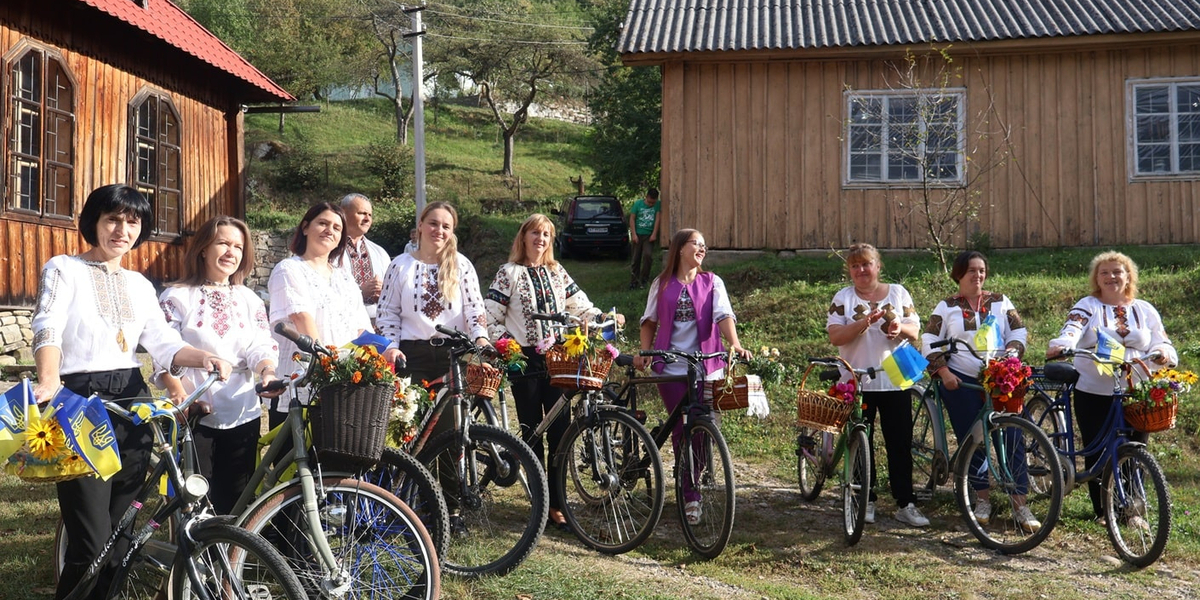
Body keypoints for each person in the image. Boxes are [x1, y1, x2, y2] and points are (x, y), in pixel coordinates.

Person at [31, 184, 231, 600]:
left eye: (132, 221)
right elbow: (46, 325)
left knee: (121, 539)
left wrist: (205, 357)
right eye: (113, 219)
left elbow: (163, 342)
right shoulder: (62, 267)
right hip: (79, 400)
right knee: (91, 543)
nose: (122, 229)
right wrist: (49, 380)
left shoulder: (140, 284)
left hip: (133, 399)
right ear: (94, 223)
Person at [485, 214, 624, 530]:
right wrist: (507, 347)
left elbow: (580, 306)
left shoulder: (556, 272)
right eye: (535, 233)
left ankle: (559, 503)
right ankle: (540, 502)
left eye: (546, 234)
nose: (541, 239)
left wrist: (604, 316)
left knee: (560, 430)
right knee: (532, 430)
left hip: (559, 358)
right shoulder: (509, 273)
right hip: (525, 359)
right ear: (523, 237)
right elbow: (490, 315)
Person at [155, 215, 283, 515]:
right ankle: (193, 559)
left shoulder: (249, 299)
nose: (231, 252)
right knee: (195, 497)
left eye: (238, 246)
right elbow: (164, 351)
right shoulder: (177, 296)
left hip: (242, 409)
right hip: (194, 410)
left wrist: (267, 372)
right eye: (223, 243)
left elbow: (261, 345)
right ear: (202, 248)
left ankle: (228, 558)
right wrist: (181, 397)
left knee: (237, 496)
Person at [1047, 250, 1177, 523]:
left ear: (1128, 276)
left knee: (1136, 449)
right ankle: (1104, 510)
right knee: (1098, 451)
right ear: (1096, 278)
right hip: (1094, 389)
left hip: (1135, 390)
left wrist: (1164, 353)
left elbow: (1160, 340)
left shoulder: (1144, 309)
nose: (1111, 277)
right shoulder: (1088, 305)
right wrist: (1064, 344)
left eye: (1117, 271)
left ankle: (1132, 511)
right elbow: (1073, 327)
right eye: (1104, 272)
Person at [634, 229, 751, 526]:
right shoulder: (661, 284)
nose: (701, 248)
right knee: (682, 429)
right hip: (671, 367)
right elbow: (649, 321)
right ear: (679, 248)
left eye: (703, 245)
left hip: (706, 365)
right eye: (695, 243)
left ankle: (694, 484)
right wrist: (645, 352)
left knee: (702, 425)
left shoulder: (712, 282)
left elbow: (723, 315)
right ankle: (690, 493)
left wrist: (734, 344)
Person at [921, 251, 1038, 530]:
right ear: (959, 274)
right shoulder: (946, 306)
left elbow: (1018, 331)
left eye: (982, 270)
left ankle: (1020, 505)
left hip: (999, 378)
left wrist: (1012, 353)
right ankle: (981, 498)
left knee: (1012, 434)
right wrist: (944, 372)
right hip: (961, 380)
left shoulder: (999, 301)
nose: (978, 275)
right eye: (971, 270)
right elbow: (928, 340)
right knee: (972, 438)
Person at [825, 243, 929, 528]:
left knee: (900, 443)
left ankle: (905, 502)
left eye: (866, 264)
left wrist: (899, 329)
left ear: (878, 266)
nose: (861, 270)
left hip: (894, 380)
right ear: (849, 270)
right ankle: (864, 500)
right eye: (855, 266)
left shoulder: (897, 293)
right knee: (860, 443)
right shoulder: (843, 298)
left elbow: (915, 330)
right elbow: (835, 336)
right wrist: (864, 323)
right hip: (857, 381)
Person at [268, 202, 372, 428]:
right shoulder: (289, 269)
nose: (329, 230)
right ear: (305, 228)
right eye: (323, 223)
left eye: (336, 228)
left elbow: (361, 328)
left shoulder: (345, 278)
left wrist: (383, 353)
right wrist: (327, 363)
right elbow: (301, 318)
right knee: (295, 459)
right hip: (303, 380)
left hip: (341, 383)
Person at [379, 201, 490, 384]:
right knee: (412, 411)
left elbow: (474, 307)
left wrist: (481, 338)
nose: (439, 230)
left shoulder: (461, 265)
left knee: (452, 413)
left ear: (452, 232)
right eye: (433, 223)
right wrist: (390, 347)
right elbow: (387, 313)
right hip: (411, 356)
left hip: (455, 355)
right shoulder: (399, 265)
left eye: (446, 226)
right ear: (420, 225)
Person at [334, 193, 390, 327]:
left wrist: (383, 293)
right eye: (362, 213)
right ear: (343, 214)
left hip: (377, 325)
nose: (367, 219)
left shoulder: (380, 253)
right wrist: (360, 293)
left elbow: (393, 292)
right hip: (341, 325)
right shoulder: (330, 251)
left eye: (370, 215)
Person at [628, 187, 661, 289]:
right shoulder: (638, 204)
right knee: (635, 258)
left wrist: (654, 233)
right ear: (646, 197)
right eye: (649, 202)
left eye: (653, 203)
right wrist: (633, 234)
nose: (651, 204)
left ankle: (644, 279)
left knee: (648, 255)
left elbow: (657, 219)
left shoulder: (658, 205)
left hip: (649, 235)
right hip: (638, 234)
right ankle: (634, 281)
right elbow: (632, 219)